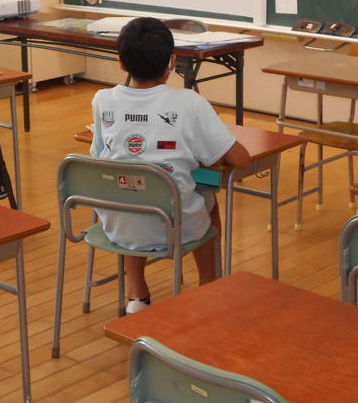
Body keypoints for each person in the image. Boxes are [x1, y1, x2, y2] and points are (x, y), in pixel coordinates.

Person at [90, 17, 250, 313]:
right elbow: (240, 159)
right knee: (208, 200)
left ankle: (137, 295)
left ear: (121, 63)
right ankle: (209, 287)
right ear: (172, 61)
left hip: (118, 227)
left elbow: (100, 153)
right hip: (177, 227)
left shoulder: (102, 101)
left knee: (130, 183)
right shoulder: (190, 102)